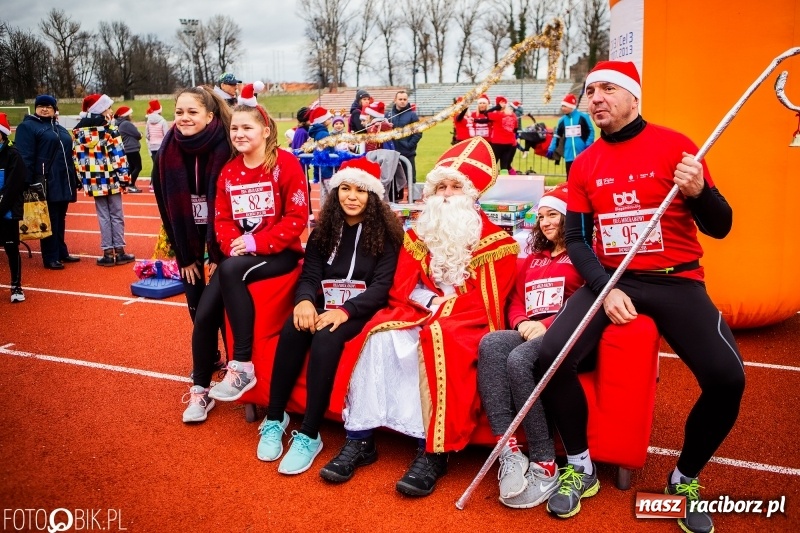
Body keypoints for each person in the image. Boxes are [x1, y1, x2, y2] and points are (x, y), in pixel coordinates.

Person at [536, 61, 744, 533]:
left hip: (676, 279)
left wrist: (698, 192)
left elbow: (721, 225)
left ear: (633, 96)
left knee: (727, 378)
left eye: (608, 88)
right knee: (551, 356)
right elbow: (576, 238)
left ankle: (683, 479)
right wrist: (604, 290)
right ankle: (581, 466)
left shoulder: (677, 145)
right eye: (591, 91)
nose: (597, 99)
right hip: (613, 278)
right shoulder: (586, 161)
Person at [321, 137, 519, 496]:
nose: (445, 194)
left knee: (440, 340)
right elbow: (399, 289)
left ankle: (433, 451)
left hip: (464, 323)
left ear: (471, 194)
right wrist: (426, 305)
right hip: (416, 310)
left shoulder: (498, 244)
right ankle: (360, 439)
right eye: (439, 186)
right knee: (378, 334)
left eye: (454, 186)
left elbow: (489, 305)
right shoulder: (418, 235)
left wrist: (443, 312)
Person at [257, 158, 404, 474]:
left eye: (361, 190)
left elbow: (381, 288)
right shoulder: (324, 231)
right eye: (345, 188)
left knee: (326, 336)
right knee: (295, 326)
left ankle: (309, 433)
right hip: (326, 304)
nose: (352, 196)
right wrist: (305, 301)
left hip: (361, 310)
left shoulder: (388, 236)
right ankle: (274, 416)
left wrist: (345, 312)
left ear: (373, 196)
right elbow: (309, 275)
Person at [181, 84, 309, 422]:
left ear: (265, 131)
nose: (239, 134)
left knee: (230, 270)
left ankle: (242, 365)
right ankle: (199, 390)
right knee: (205, 315)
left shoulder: (287, 165)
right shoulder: (230, 170)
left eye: (247, 128)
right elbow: (221, 217)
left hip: (280, 253)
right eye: (234, 128)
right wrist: (233, 243)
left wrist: (254, 243)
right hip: (240, 256)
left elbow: (297, 219)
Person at [477, 183, 584, 508]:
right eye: (541, 216)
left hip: (564, 334)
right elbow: (516, 299)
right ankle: (507, 449)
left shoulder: (581, 256)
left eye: (553, 214)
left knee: (520, 359)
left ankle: (545, 462)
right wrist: (522, 321)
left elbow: (584, 300)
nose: (546, 222)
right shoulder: (534, 259)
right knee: (492, 343)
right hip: (530, 330)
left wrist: (547, 326)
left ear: (569, 217)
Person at [152, 86, 232, 347]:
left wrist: (221, 253)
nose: (184, 117)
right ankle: (207, 355)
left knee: (225, 301)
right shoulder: (167, 150)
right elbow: (165, 206)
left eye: (192, 112)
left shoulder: (228, 144)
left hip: (223, 233)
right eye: (179, 112)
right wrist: (183, 256)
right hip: (187, 232)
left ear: (209, 116)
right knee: (196, 300)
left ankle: (236, 357)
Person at [13, 94, 81, 270]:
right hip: (44, 180)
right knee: (49, 218)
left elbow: (68, 155)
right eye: (41, 106)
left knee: (61, 217)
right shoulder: (28, 127)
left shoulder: (58, 127)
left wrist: (75, 177)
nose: (44, 109)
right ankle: (50, 256)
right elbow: (24, 156)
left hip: (64, 179)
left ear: (54, 110)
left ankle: (61, 251)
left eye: (48, 106)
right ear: (35, 108)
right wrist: (27, 181)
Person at [73, 94, 135, 267]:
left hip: (94, 180)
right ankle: (120, 251)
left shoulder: (78, 132)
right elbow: (119, 157)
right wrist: (124, 179)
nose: (111, 111)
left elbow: (76, 159)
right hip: (112, 178)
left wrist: (82, 179)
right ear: (101, 110)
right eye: (108, 108)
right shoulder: (110, 130)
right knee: (116, 214)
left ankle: (107, 252)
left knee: (103, 215)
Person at [0, 113, 28, 302]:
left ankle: (16, 286)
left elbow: (14, 186)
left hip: (7, 212)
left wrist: (1, 207)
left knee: (11, 248)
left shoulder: (13, 154)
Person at [545, 94, 594, 179]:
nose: (562, 108)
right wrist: (551, 149)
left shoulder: (583, 117)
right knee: (570, 178)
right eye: (562, 106)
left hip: (582, 153)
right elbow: (557, 136)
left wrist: (588, 143)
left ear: (571, 106)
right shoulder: (562, 120)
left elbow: (591, 131)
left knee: (585, 177)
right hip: (569, 155)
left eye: (564, 106)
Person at [385, 90, 422, 184]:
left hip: (408, 153)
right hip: (392, 153)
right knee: (392, 180)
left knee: (410, 179)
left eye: (405, 99)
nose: (402, 101)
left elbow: (418, 133)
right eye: (400, 99)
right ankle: (394, 199)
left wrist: (409, 145)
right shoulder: (388, 115)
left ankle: (412, 198)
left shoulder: (412, 115)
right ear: (395, 100)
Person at [290, 106, 315, 225]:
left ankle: (308, 216)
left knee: (306, 189)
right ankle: (306, 217)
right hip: (300, 166)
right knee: (304, 190)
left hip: (301, 166)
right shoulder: (302, 132)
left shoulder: (303, 131)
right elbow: (299, 151)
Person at [307, 106, 335, 209]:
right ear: (323, 120)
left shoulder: (318, 133)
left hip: (321, 169)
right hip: (327, 169)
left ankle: (324, 219)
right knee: (332, 197)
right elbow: (326, 151)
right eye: (328, 118)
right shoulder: (323, 134)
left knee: (325, 196)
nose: (330, 120)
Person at [114, 106, 143, 193]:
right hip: (132, 148)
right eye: (130, 113)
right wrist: (140, 134)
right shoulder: (126, 124)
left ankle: (124, 183)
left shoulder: (120, 123)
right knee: (138, 167)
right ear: (126, 115)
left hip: (127, 148)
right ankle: (131, 185)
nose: (131, 115)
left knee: (131, 167)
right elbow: (137, 134)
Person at [488, 96, 518, 172]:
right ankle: (504, 181)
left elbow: (486, 113)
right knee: (504, 166)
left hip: (497, 142)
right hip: (509, 143)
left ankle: (491, 181)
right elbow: (515, 129)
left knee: (492, 165)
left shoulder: (497, 115)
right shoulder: (513, 114)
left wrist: (495, 108)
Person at [145, 99, 170, 192]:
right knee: (162, 166)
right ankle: (160, 185)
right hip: (161, 146)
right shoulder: (163, 121)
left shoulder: (148, 121)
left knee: (155, 165)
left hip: (152, 146)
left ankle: (153, 184)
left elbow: (147, 134)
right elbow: (166, 134)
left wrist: (152, 139)